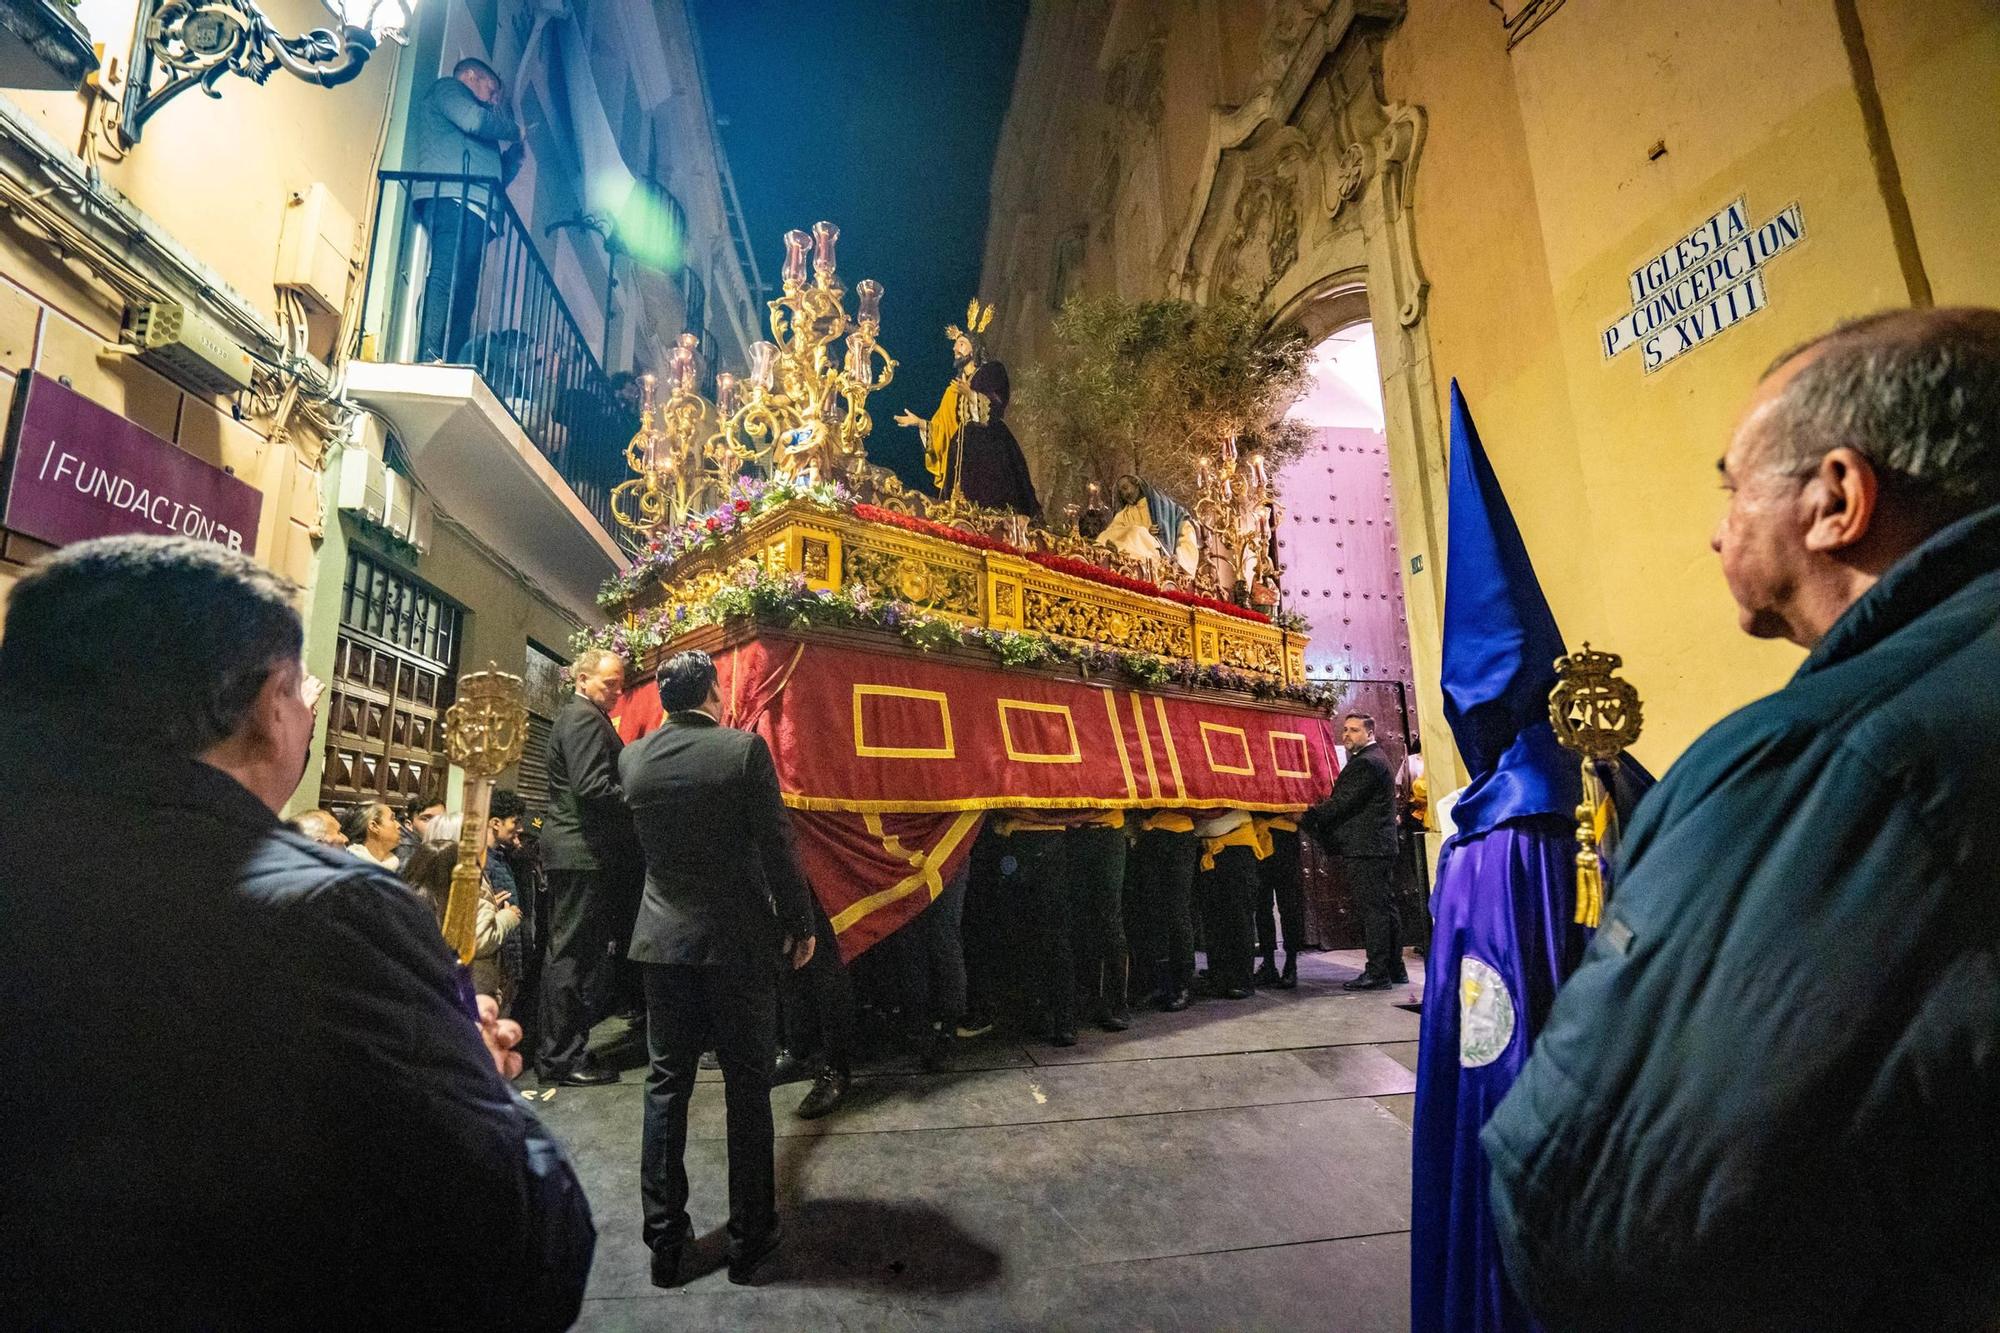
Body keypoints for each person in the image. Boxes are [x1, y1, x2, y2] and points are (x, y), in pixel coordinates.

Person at [1484, 309, 2000, 1332]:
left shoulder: (1815, 764)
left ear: (1836, 499)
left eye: (1731, 485)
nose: (1717, 529)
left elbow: (1606, 1213)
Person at [0, 534, 592, 1326]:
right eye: (304, 690)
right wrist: (469, 1070)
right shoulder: (335, 914)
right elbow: (519, 1244)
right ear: (267, 708)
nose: (309, 710)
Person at [621, 650, 818, 1288]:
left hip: (662, 943)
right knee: (746, 1087)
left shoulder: (633, 758)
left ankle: (666, 1246)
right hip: (738, 946)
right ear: (711, 692)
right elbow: (777, 844)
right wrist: (801, 922)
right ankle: (750, 1237)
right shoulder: (741, 752)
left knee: (665, 1086)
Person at [538, 648, 641, 1086]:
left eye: (620, 685)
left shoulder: (580, 716)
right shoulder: (582, 718)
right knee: (572, 956)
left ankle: (563, 1052)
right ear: (582, 680)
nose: (616, 693)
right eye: (608, 684)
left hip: (577, 850)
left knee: (574, 953)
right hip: (581, 851)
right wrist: (639, 796)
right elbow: (591, 786)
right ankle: (561, 1058)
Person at [406, 57, 523, 362]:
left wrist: (513, 159)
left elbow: (496, 179)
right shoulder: (448, 90)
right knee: (446, 275)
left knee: (466, 294)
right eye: (492, 88)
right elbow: (475, 120)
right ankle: (429, 352)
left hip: (477, 209)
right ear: (471, 75)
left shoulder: (480, 128)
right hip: (452, 199)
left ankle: (450, 356)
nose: (494, 99)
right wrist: (514, 130)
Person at [895, 301, 1041, 519]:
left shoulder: (991, 370)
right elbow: (944, 427)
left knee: (992, 500)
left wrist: (971, 394)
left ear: (974, 348)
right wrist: (920, 423)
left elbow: (997, 403)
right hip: (961, 448)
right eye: (955, 345)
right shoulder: (953, 389)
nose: (955, 349)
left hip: (989, 446)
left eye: (961, 344)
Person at [1305, 713, 1403, 990]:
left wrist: (1306, 815)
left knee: (1374, 912)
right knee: (1385, 908)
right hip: (1378, 846)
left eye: (1354, 730)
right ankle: (1395, 968)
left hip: (1367, 848)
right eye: (1345, 730)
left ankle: (1378, 973)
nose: (1347, 734)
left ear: (1370, 733)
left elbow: (1341, 803)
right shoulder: (1375, 759)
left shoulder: (1366, 763)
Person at [1130, 811, 1199, 1010]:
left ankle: (1184, 984)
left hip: (1179, 834)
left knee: (1177, 912)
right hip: (1151, 835)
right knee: (1152, 912)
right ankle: (1159, 982)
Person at [1193, 809, 1263, 999]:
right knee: (1212, 917)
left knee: (1238, 915)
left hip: (1236, 845)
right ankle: (1218, 977)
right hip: (1204, 845)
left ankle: (1242, 980)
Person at [1096, 473, 1200, 575]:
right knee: (1132, 532)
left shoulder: (1167, 508)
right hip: (1129, 560)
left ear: (1136, 484)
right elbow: (1111, 532)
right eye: (1121, 492)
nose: (1124, 494)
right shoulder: (1124, 514)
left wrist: (1180, 558)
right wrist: (1145, 531)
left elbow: (1186, 534)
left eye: (1125, 488)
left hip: (1158, 560)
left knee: (1136, 532)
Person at [342, 799, 402, 872]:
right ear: (374, 827)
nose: (399, 825)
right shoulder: (351, 868)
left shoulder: (396, 865)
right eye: (392, 819)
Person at [397, 795, 445, 865]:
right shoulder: (407, 853)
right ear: (409, 825)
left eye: (441, 819)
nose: (436, 824)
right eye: (426, 819)